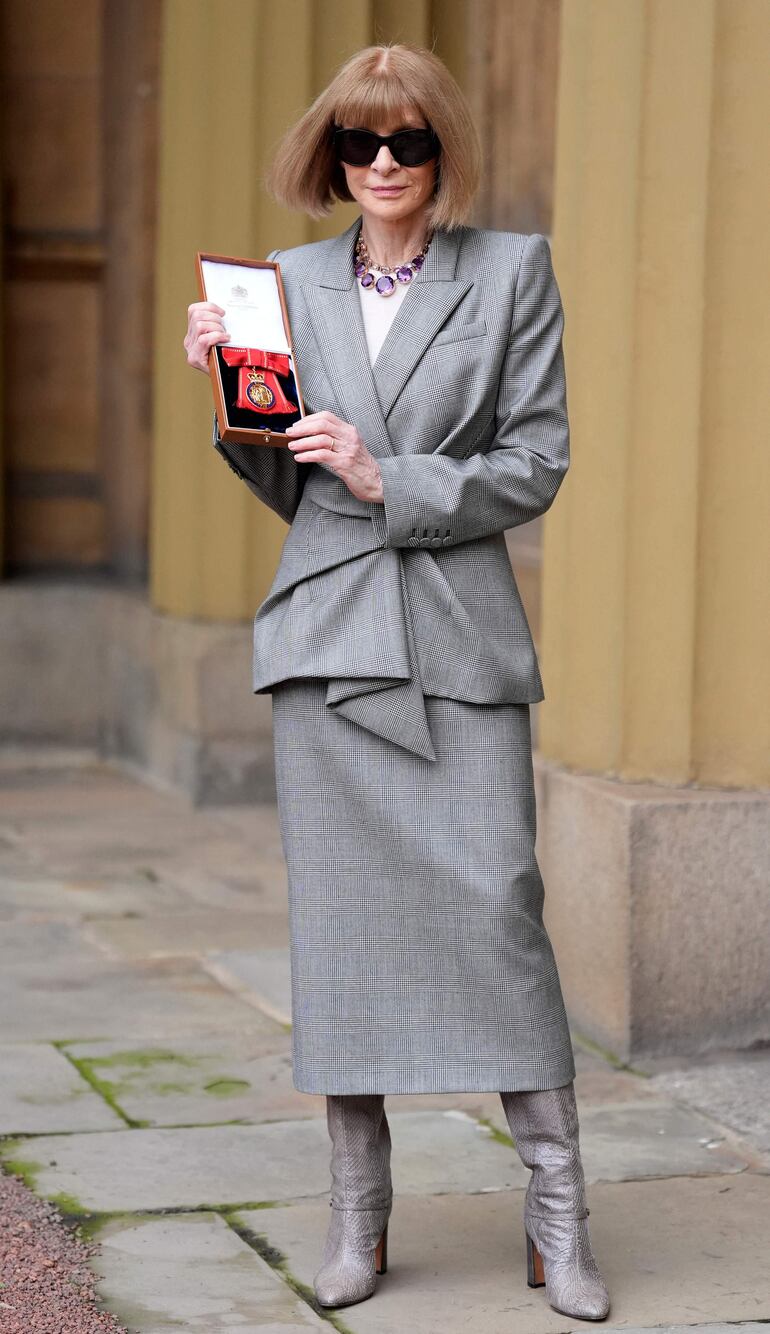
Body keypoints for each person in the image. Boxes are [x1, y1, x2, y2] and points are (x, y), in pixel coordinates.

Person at [184, 42, 610, 1323]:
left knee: (497, 911)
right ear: (328, 158)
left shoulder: (509, 270)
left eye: (407, 142)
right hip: (326, 633)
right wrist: (230, 398)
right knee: (344, 931)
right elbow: (284, 483)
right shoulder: (287, 286)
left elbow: (537, 459)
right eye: (359, 144)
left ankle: (556, 1213)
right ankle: (357, 1218)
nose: (382, 165)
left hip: (455, 630)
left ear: (440, 154)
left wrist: (392, 478)